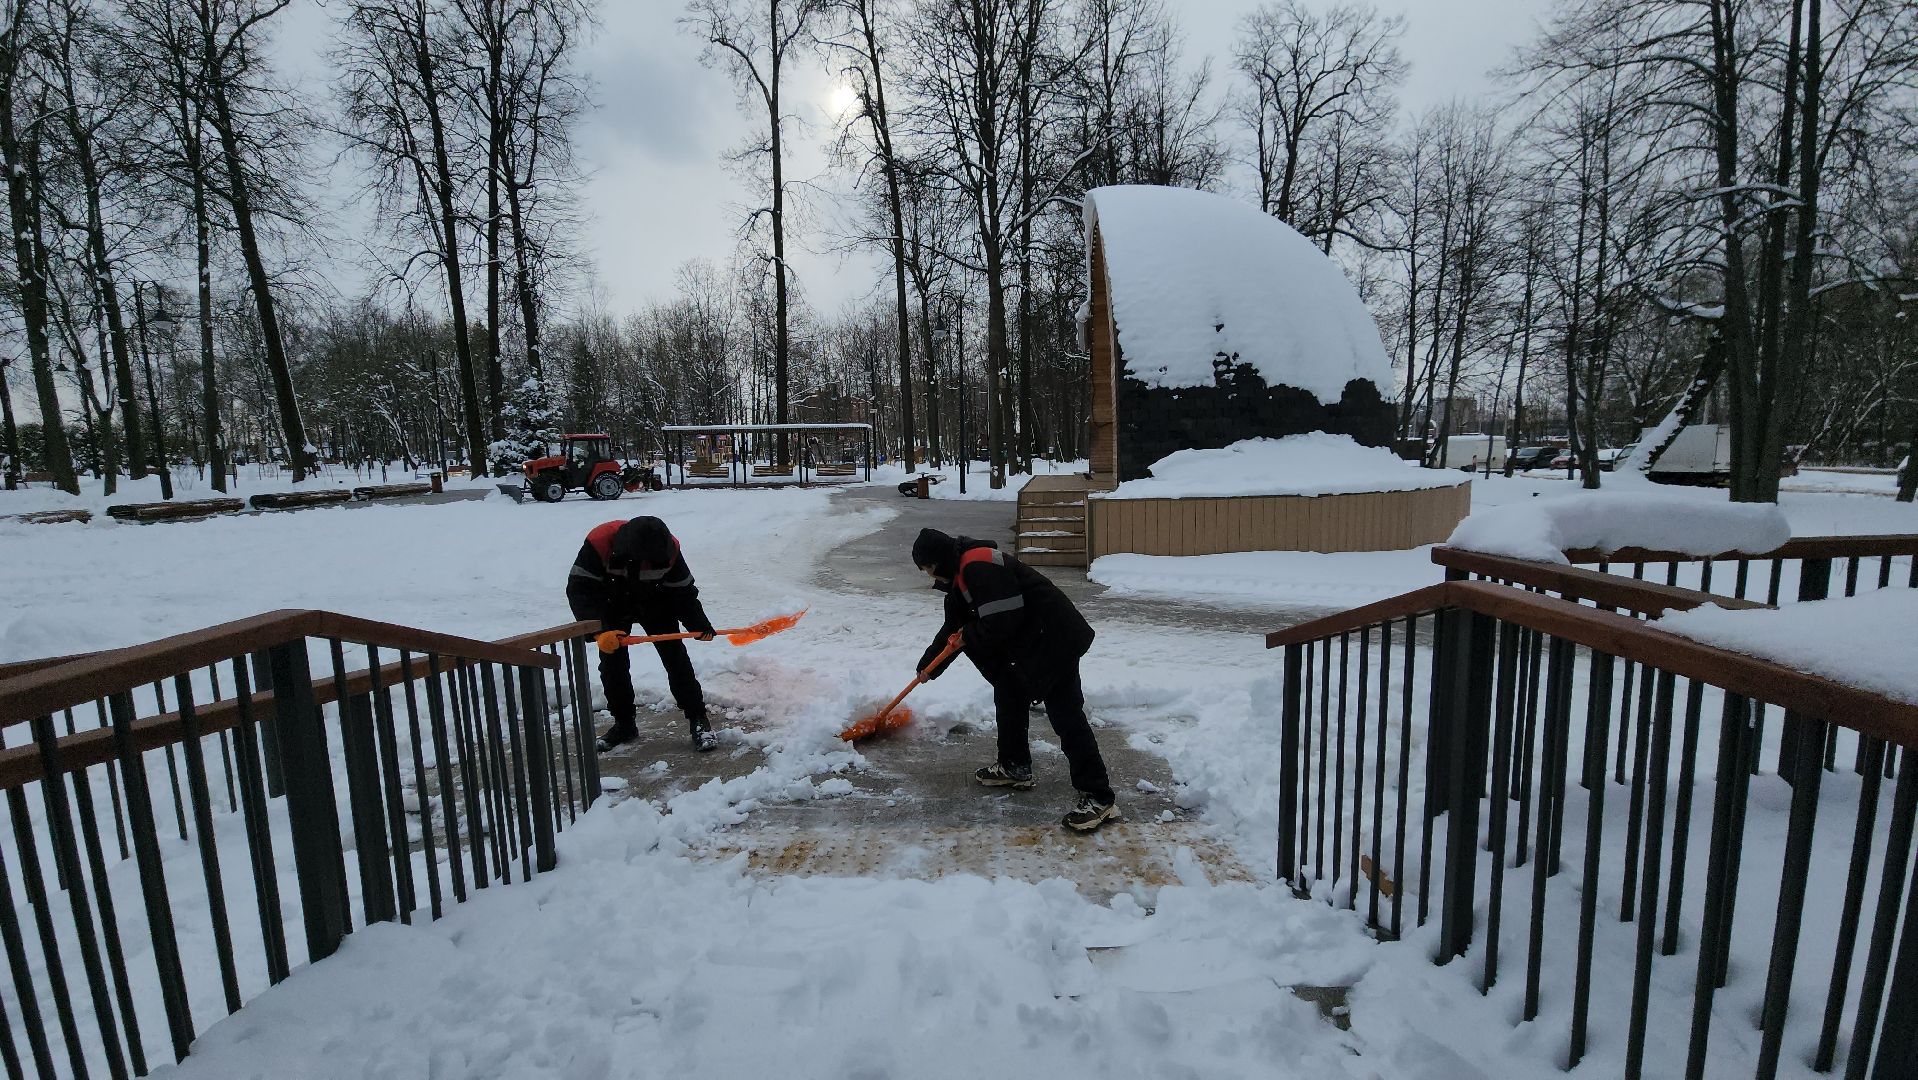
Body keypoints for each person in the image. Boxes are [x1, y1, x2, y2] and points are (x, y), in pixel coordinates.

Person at [910, 527, 1118, 832]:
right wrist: (929, 666)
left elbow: (1002, 622)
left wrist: (968, 635)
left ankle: (1099, 797)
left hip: (1054, 641)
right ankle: (1014, 766)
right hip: (1031, 642)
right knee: (1009, 692)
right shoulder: (959, 578)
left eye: (927, 569)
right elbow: (953, 631)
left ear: (937, 561)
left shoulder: (979, 566)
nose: (929, 576)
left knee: (1066, 717)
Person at [567, 515, 720, 752]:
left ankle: (698, 719)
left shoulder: (669, 549)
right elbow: (580, 590)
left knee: (675, 658)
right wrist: (600, 631)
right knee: (612, 665)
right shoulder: (599, 543)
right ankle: (624, 724)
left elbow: (682, 592)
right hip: (611, 605)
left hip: (655, 602)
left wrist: (698, 624)